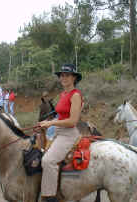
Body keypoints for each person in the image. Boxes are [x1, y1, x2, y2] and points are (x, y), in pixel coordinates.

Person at [39, 64, 83, 202]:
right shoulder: (63, 94)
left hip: (68, 133)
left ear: (74, 78)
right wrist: (45, 122)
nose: (63, 78)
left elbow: (72, 121)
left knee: (48, 161)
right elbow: (61, 115)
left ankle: (50, 197)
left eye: (67, 75)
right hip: (58, 131)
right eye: (61, 75)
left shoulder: (75, 95)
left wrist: (50, 123)